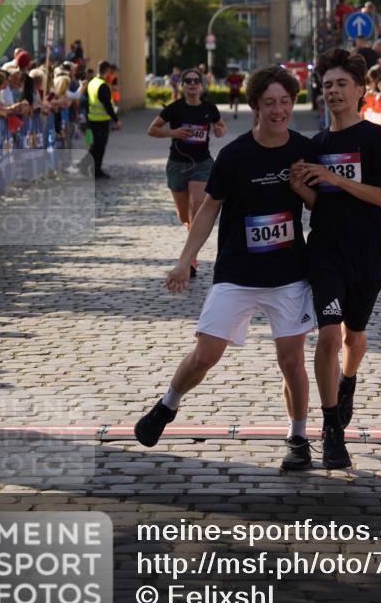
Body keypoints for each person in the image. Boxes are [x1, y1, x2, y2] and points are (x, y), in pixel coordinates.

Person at [134, 66, 317, 471]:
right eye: (269, 103)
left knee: (292, 361)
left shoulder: (304, 150)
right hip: (237, 272)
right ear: (254, 106)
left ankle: (298, 438)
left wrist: (303, 188)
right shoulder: (234, 155)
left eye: (285, 102)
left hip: (288, 273)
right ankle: (167, 405)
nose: (279, 110)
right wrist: (184, 260)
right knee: (206, 354)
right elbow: (207, 211)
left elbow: (323, 206)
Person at [290, 48, 381, 470]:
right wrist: (301, 187)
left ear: (359, 90)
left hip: (368, 251)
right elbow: (321, 204)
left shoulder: (375, 138)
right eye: (327, 85)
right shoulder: (317, 144)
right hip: (326, 252)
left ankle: (348, 381)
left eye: (341, 84)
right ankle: (332, 428)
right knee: (329, 336)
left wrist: (335, 178)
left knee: (354, 337)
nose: (333, 91)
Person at [148, 67, 227, 277]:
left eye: (196, 81)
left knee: (197, 209)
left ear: (201, 85)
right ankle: (191, 236)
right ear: (182, 85)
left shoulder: (209, 108)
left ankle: (190, 257)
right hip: (177, 164)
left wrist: (219, 130)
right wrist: (173, 132)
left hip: (202, 164)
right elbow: (152, 129)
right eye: (188, 81)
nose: (192, 84)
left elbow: (220, 125)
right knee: (185, 215)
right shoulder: (174, 108)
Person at [86, 60, 122, 178]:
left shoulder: (92, 82)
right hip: (101, 121)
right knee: (100, 147)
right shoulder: (103, 85)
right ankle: (96, 170)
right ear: (107, 71)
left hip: (91, 119)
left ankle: (90, 168)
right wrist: (116, 120)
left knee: (93, 146)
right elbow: (107, 105)